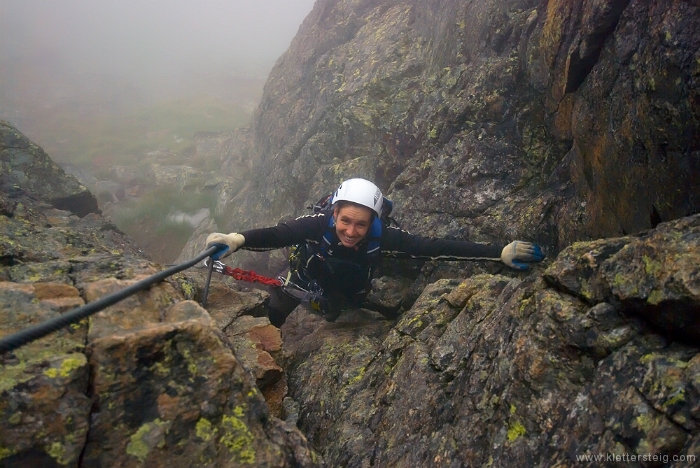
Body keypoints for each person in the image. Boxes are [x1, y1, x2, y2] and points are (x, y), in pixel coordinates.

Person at [206, 178, 545, 326]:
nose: (351, 232)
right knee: (274, 315)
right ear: (334, 214)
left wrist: (498, 252)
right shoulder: (317, 223)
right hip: (303, 281)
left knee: (340, 311)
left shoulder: (385, 237)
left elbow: (436, 248)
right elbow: (281, 234)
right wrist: (237, 239)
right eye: (345, 221)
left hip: (348, 293)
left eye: (361, 225)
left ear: (373, 223)